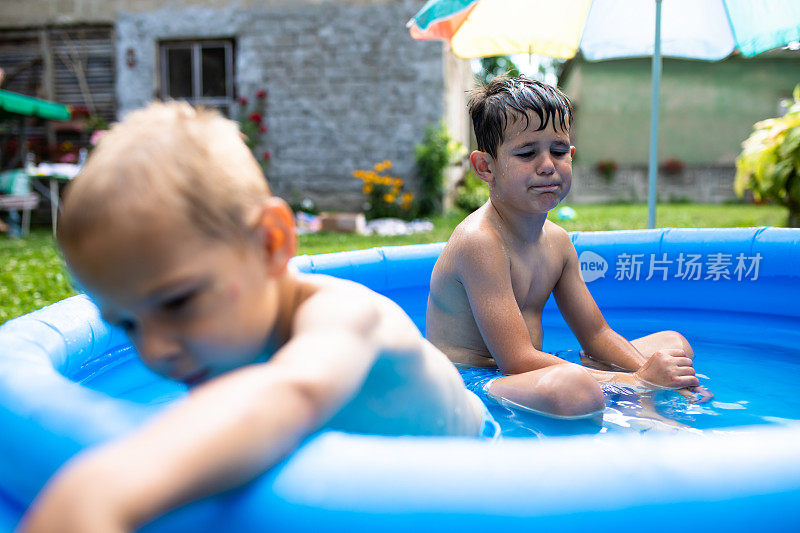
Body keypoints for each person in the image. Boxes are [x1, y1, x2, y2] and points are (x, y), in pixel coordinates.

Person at [19, 101, 495, 533]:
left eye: (178, 303)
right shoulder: (224, 340)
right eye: (127, 324)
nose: (154, 350)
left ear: (270, 242)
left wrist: (110, 483)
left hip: (483, 453)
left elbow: (294, 390)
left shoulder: (344, 314)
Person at [426, 75, 711, 421]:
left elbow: (596, 333)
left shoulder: (557, 243)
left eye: (558, 151)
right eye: (528, 153)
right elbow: (515, 359)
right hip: (472, 383)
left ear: (571, 155)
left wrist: (657, 374)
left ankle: (630, 398)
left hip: (530, 370)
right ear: (486, 167)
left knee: (674, 347)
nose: (547, 165)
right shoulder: (480, 242)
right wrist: (636, 381)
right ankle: (632, 401)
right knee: (573, 389)